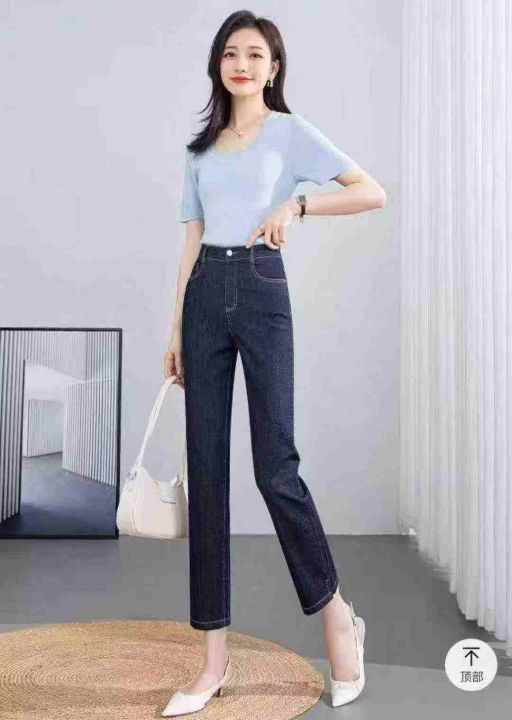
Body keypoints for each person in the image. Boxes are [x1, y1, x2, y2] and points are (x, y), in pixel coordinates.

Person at [162, 10, 386, 716]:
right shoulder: (200, 150)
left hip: (261, 288)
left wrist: (299, 205)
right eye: (231, 53)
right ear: (218, 64)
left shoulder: (289, 133)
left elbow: (370, 190)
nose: (242, 64)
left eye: (255, 54)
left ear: (274, 67)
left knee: (274, 467)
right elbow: (191, 242)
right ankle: (212, 660)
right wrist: (176, 328)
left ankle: (337, 617)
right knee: (207, 473)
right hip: (205, 295)